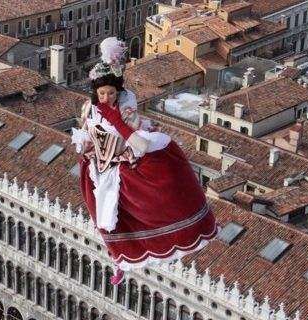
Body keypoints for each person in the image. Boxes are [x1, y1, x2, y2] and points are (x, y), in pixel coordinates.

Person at [71, 37, 218, 285]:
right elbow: (87, 134)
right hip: (99, 167)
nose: (106, 97)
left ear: (118, 92)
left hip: (122, 163)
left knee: (142, 208)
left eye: (110, 93)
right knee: (106, 223)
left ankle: (133, 257)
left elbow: (140, 145)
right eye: (102, 93)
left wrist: (116, 120)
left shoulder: (127, 113)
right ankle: (119, 260)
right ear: (95, 93)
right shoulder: (90, 109)